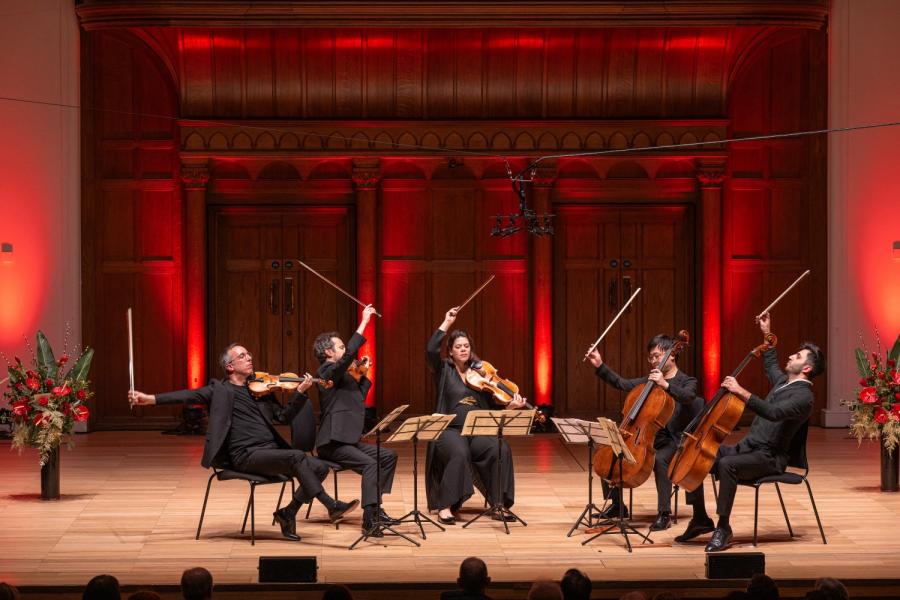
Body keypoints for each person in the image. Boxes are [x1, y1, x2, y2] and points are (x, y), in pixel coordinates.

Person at [128, 344, 358, 541]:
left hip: (269, 453)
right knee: (298, 457)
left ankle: (288, 513)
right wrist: (149, 399)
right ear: (230, 366)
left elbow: (284, 417)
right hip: (244, 456)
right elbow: (186, 395)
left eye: (249, 355)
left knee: (319, 466)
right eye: (242, 356)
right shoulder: (219, 391)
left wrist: (299, 392)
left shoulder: (260, 390)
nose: (249, 358)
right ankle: (331, 505)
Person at [678, 313, 824, 552]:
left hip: (769, 458)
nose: (790, 356)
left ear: (806, 368)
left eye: (797, 356)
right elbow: (771, 365)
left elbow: (773, 412)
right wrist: (767, 332)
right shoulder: (785, 382)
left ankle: (723, 528)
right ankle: (700, 518)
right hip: (748, 448)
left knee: (728, 466)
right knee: (698, 454)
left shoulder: (804, 397)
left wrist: (739, 391)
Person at [586, 334, 709, 532]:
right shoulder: (648, 380)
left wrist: (665, 385)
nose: (653, 361)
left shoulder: (687, 381)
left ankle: (664, 514)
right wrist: (600, 364)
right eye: (650, 357)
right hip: (643, 437)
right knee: (610, 450)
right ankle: (618, 506)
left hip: (672, 440)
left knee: (660, 460)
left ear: (671, 355)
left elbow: (689, 397)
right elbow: (622, 383)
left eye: (656, 356)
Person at [426, 307, 528, 524]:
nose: (463, 349)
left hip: (477, 430)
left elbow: (493, 407)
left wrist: (510, 408)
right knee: (459, 452)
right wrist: (446, 322)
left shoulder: (482, 374)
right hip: (449, 430)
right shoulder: (444, 370)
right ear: (450, 351)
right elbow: (430, 350)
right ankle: (446, 505)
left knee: (500, 448)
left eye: (466, 346)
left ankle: (499, 503)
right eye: (458, 347)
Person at [315, 304, 398, 534]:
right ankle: (369, 520)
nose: (346, 350)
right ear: (329, 353)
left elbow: (357, 399)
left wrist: (363, 376)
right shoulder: (325, 372)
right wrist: (364, 322)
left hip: (348, 441)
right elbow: (347, 359)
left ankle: (376, 508)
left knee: (388, 457)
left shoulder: (345, 376)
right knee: (371, 464)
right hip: (332, 444)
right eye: (341, 346)